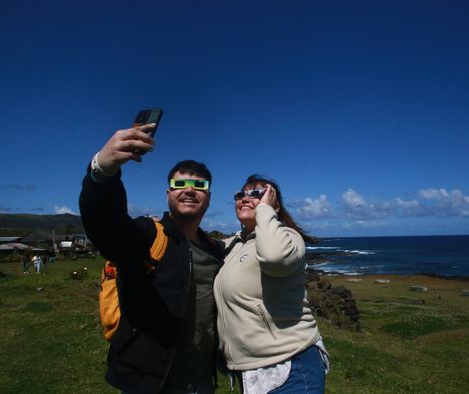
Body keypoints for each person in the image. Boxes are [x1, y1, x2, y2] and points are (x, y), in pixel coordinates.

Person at [79, 123, 224, 394]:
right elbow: (108, 228)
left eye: (199, 185)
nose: (189, 189)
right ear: (168, 194)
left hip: (202, 379)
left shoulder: (216, 251)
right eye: (179, 184)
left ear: (209, 197)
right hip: (149, 382)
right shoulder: (148, 235)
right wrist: (102, 173)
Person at [214, 175, 329, 393]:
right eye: (241, 195)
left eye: (257, 194)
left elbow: (275, 259)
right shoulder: (233, 245)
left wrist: (265, 211)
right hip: (250, 369)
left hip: (290, 365)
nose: (245, 199)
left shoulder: (287, 236)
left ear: (274, 205)